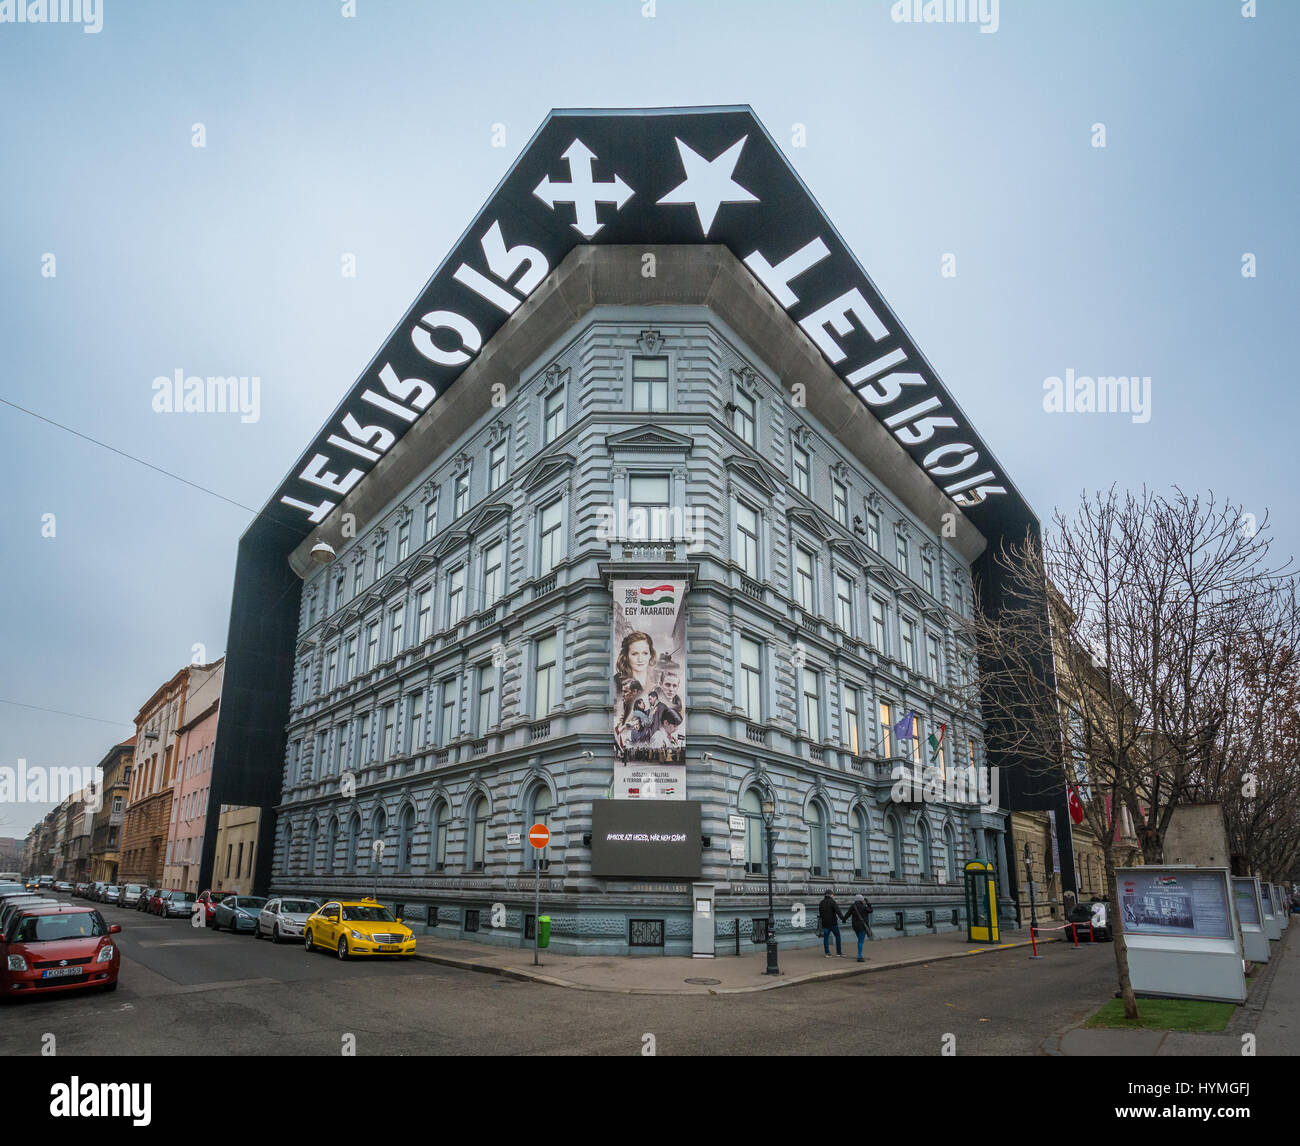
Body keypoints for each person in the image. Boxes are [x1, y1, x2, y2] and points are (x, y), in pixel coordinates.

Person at [818, 890, 846, 957]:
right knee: (837, 936)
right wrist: (843, 919)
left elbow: (820, 913)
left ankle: (827, 953)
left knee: (826, 938)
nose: (833, 895)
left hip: (825, 923)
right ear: (830, 895)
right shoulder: (833, 902)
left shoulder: (821, 903)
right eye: (832, 894)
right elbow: (838, 911)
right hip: (833, 923)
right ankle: (838, 953)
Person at [847, 893, 873, 961]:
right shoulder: (864, 906)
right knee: (861, 941)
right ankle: (859, 956)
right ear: (862, 900)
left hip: (855, 927)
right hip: (862, 926)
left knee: (860, 940)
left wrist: (843, 919)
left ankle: (860, 954)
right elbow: (871, 910)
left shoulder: (853, 906)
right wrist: (868, 902)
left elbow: (847, 914)